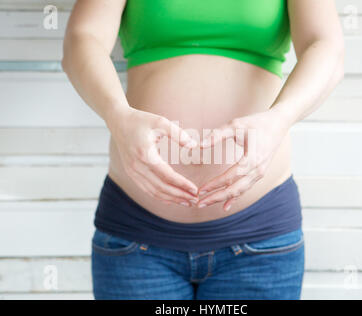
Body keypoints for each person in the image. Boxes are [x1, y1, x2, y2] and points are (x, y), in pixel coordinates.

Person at [62, 0, 344, 300]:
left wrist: (280, 118)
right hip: (137, 236)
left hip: (259, 238)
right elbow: (83, 38)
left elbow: (325, 45)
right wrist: (117, 115)